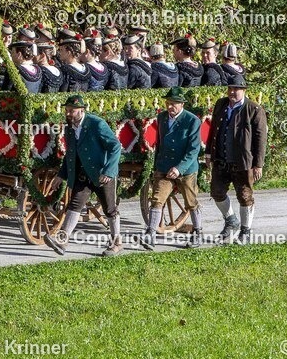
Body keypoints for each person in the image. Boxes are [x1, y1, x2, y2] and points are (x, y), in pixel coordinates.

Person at [43, 95, 124, 257]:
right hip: (82, 175)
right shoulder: (69, 128)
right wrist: (61, 175)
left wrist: (108, 171)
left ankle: (117, 243)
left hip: (102, 174)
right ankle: (62, 241)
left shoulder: (97, 124)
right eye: (67, 110)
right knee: (74, 205)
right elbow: (70, 154)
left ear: (82, 110)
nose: (68, 113)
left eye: (72, 111)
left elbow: (115, 146)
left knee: (109, 209)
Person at [205, 73, 267, 244]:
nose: (232, 92)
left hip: (243, 161)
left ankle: (245, 231)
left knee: (245, 196)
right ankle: (231, 220)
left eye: (236, 89)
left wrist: (258, 164)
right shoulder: (221, 105)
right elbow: (214, 130)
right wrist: (209, 152)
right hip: (221, 158)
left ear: (244, 90)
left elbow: (261, 139)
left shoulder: (254, 109)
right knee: (216, 192)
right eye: (230, 88)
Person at [140, 87, 203, 250]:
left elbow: (194, 149)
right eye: (168, 103)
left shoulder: (192, 121)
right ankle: (151, 233)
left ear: (182, 104)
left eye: (173, 104)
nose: (170, 107)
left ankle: (198, 232)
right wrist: (157, 166)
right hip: (164, 166)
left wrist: (180, 168)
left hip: (186, 168)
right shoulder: (161, 118)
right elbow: (159, 143)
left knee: (191, 201)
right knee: (157, 200)